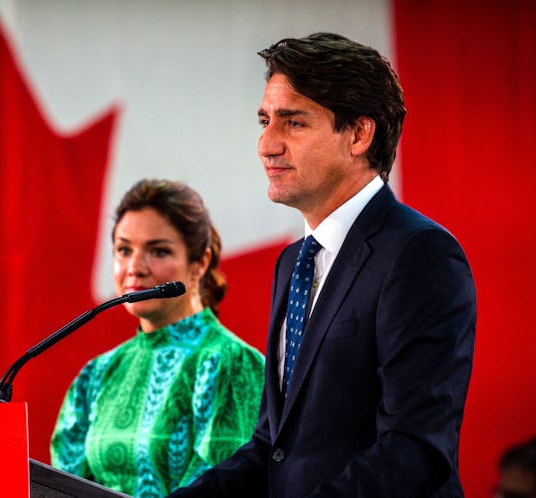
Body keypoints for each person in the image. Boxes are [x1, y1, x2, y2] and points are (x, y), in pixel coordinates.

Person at [169, 32, 476, 497]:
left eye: (293, 123)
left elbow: (414, 450)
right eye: (264, 120)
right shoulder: (294, 262)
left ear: (358, 134)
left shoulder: (421, 255)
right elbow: (271, 447)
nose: (267, 145)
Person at [51, 178, 265, 497]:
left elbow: (222, 485)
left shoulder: (230, 362)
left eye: (158, 251)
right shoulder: (97, 373)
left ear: (200, 263)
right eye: (124, 250)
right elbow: (60, 484)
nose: (135, 267)